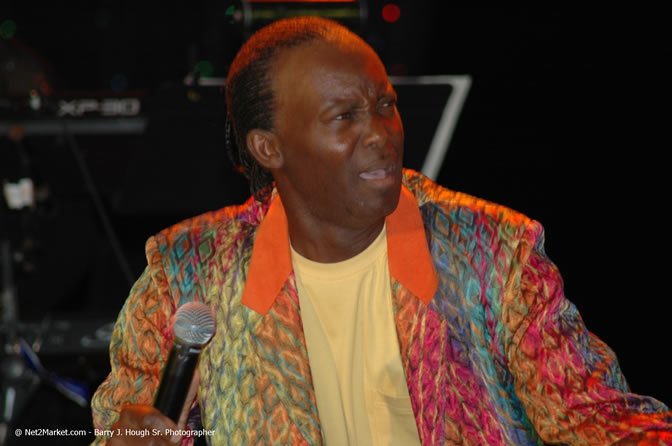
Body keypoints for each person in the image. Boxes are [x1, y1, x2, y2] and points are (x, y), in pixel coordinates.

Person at [91, 16, 672, 445]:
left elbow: (601, 419)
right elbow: (122, 426)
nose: (380, 133)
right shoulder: (188, 276)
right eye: (344, 117)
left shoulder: (490, 251)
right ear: (269, 148)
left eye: (385, 106)